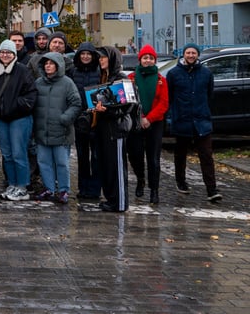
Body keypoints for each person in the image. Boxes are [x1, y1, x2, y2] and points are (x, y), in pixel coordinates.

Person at [166, 43, 222, 202]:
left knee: (206, 155)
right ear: (183, 54)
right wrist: (173, 116)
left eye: (193, 53)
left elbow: (210, 93)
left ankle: (212, 190)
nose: (191, 55)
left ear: (197, 55)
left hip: (201, 121)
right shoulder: (173, 73)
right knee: (180, 154)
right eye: (188, 52)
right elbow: (169, 97)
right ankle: (181, 181)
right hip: (182, 120)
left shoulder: (206, 73)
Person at [0, 39, 37, 201]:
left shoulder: (22, 71)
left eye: (8, 52)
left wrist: (14, 106)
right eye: (2, 52)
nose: (5, 55)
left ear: (14, 54)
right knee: (7, 154)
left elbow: (31, 96)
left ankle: (22, 186)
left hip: (20, 118)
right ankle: (12, 184)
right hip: (2, 119)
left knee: (19, 153)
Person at [32, 52, 81, 204]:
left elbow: (76, 103)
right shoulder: (38, 83)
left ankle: (63, 190)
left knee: (61, 163)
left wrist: (65, 118)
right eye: (46, 63)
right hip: (42, 131)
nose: (48, 66)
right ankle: (49, 188)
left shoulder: (67, 83)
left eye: (51, 63)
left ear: (58, 65)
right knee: (44, 162)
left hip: (61, 131)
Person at [93, 46, 136, 212]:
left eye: (103, 57)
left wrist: (108, 110)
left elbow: (128, 105)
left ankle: (120, 202)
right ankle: (111, 199)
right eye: (100, 58)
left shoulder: (121, 78)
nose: (101, 60)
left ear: (111, 59)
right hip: (104, 127)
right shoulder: (104, 77)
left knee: (117, 167)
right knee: (107, 166)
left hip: (116, 128)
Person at [128, 44, 169, 204]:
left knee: (153, 159)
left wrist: (149, 119)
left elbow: (164, 104)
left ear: (154, 60)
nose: (148, 60)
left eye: (151, 58)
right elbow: (129, 100)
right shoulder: (131, 78)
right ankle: (140, 179)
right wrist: (140, 117)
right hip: (136, 122)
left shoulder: (161, 80)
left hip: (155, 124)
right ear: (140, 60)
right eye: (145, 58)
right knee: (135, 154)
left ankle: (154, 190)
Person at [68, 42, 103, 200]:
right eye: (83, 54)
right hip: (79, 119)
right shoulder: (73, 71)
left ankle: (95, 189)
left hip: (96, 119)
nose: (86, 56)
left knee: (96, 156)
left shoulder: (100, 71)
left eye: (88, 54)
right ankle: (83, 188)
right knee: (82, 156)